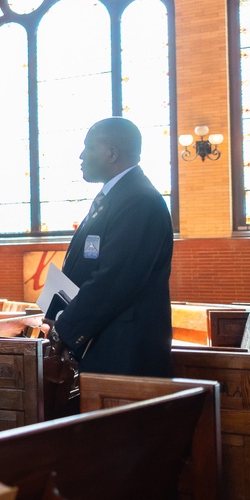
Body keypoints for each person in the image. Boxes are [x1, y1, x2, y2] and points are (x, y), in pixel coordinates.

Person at [47, 117, 173, 376]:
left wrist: (66, 329)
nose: (81, 156)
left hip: (125, 349)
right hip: (105, 339)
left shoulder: (139, 200)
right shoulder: (114, 197)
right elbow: (82, 261)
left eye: (89, 147)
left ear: (111, 153)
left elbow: (115, 279)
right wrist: (54, 312)